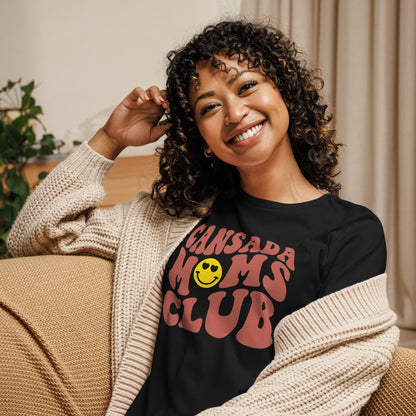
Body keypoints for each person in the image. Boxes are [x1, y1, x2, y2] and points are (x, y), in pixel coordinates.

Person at [7, 20, 398, 416]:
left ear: (284, 89)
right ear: (201, 137)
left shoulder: (350, 231)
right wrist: (110, 139)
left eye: (246, 86)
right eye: (209, 107)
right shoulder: (173, 219)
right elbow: (36, 236)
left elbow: (322, 378)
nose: (234, 112)